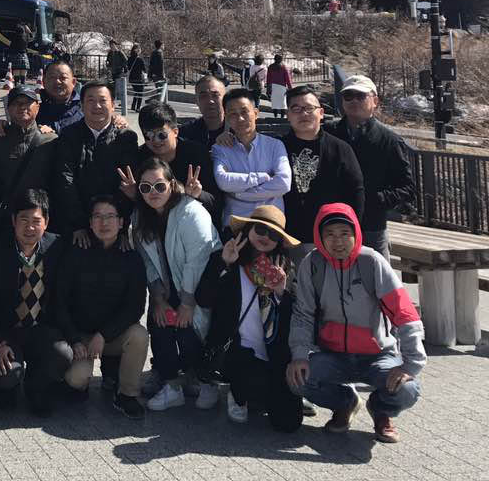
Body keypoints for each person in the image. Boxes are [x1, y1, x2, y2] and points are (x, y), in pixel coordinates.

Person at [287, 204, 425, 443]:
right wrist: (299, 355)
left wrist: (411, 364)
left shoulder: (372, 262)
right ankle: (345, 403)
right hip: (332, 354)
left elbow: (404, 312)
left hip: (378, 355)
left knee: (407, 389)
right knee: (297, 378)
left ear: (356, 234)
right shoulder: (313, 263)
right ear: (319, 236)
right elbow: (303, 314)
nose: (337, 241)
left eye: (344, 233)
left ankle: (381, 410)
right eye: (330, 234)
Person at [197, 205, 303, 431]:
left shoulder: (284, 267)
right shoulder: (228, 257)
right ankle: (238, 394)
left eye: (273, 234)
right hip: (235, 351)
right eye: (260, 230)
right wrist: (224, 264)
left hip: (273, 352)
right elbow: (203, 299)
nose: (266, 237)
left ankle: (258, 393)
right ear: (248, 230)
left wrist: (281, 292)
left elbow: (295, 317)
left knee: (288, 423)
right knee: (249, 377)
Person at [132, 156, 221, 411]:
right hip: (169, 287)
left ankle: (205, 379)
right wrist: (158, 299)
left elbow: (197, 259)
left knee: (188, 330)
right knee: (159, 324)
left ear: (172, 184)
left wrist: (187, 302)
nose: (153, 192)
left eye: (159, 186)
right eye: (145, 187)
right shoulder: (140, 217)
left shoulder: (191, 212)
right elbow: (147, 261)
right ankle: (172, 385)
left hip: (201, 287)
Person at [0, 190, 72, 414]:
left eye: (36, 221)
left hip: (40, 329)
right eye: (24, 220)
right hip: (6, 330)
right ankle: (8, 387)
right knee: (8, 374)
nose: (30, 228)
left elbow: (63, 296)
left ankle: (36, 386)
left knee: (62, 354)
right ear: (13, 221)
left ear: (46, 222)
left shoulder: (57, 247)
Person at [55, 196, 148, 418]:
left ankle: (127, 395)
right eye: (97, 217)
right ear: (90, 222)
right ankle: (81, 382)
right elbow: (58, 301)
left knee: (139, 335)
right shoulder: (75, 253)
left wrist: (104, 334)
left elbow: (135, 307)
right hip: (80, 337)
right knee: (77, 379)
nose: (104, 223)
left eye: (110, 217)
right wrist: (74, 339)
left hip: (111, 336)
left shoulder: (132, 258)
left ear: (121, 222)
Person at [327, 75, 415, 262]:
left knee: (376, 278)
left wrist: (376, 200)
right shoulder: (328, 134)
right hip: (331, 227)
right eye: (348, 96)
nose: (354, 101)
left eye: (360, 96)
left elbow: (407, 188)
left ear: (375, 101)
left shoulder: (389, 141)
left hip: (372, 227)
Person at [51, 80, 140, 243]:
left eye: (103, 100)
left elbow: (127, 186)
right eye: (90, 100)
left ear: (113, 105)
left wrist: (121, 228)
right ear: (82, 106)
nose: (97, 106)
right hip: (77, 225)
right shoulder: (69, 135)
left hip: (114, 225)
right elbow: (65, 180)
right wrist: (78, 224)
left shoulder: (126, 138)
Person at [281, 86, 365, 251]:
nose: (304, 113)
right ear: (288, 115)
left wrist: (349, 233)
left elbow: (356, 192)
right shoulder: (277, 147)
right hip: (286, 238)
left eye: (309, 108)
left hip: (330, 239)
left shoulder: (340, 149)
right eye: (296, 109)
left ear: (321, 112)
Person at [0, 85, 57, 246]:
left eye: (28, 102)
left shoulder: (50, 140)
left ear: (38, 107)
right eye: (16, 103)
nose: (22, 107)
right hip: (3, 219)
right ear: (8, 108)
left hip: (38, 220)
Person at [211, 89, 291, 223]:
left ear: (256, 113)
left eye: (244, 112)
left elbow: (283, 183)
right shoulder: (220, 149)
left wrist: (238, 193)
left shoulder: (275, 146)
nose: (240, 119)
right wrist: (263, 177)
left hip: (270, 224)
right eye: (233, 114)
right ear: (226, 117)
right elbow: (223, 181)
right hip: (235, 225)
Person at [138, 101, 220, 224]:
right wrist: (133, 194)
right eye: (148, 135)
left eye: (161, 135)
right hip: (155, 223)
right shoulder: (141, 156)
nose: (155, 140)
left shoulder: (196, 153)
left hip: (191, 222)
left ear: (175, 131)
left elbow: (216, 201)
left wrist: (198, 194)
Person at [179, 74, 227, 147]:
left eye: (215, 95)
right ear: (196, 101)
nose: (210, 101)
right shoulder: (185, 134)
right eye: (204, 96)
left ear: (226, 99)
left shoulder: (239, 130)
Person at [38, 60, 84, 132]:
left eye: (63, 78)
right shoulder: (33, 107)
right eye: (52, 77)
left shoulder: (86, 108)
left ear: (73, 82)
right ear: (44, 81)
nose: (57, 81)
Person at [267, 54, 293, 119]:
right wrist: (290, 87)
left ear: (274, 59)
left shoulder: (270, 67)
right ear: (281, 60)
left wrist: (268, 87)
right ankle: (282, 117)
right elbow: (287, 78)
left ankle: (275, 116)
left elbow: (268, 78)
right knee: (282, 103)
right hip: (282, 87)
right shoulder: (283, 67)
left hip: (273, 86)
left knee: (275, 102)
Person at [106, 40, 129, 114]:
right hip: (113, 71)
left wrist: (122, 67)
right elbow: (108, 61)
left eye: (113, 45)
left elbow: (126, 60)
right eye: (110, 45)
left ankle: (122, 101)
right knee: (113, 87)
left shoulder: (119, 52)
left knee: (119, 87)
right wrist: (108, 66)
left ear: (115, 45)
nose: (112, 46)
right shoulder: (110, 53)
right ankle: (113, 101)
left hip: (119, 72)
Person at [128, 43, 147, 112]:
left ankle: (133, 105)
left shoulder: (130, 58)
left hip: (132, 78)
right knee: (140, 93)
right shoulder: (140, 59)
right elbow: (144, 69)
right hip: (139, 78)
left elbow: (128, 67)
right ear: (138, 50)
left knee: (136, 91)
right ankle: (138, 107)